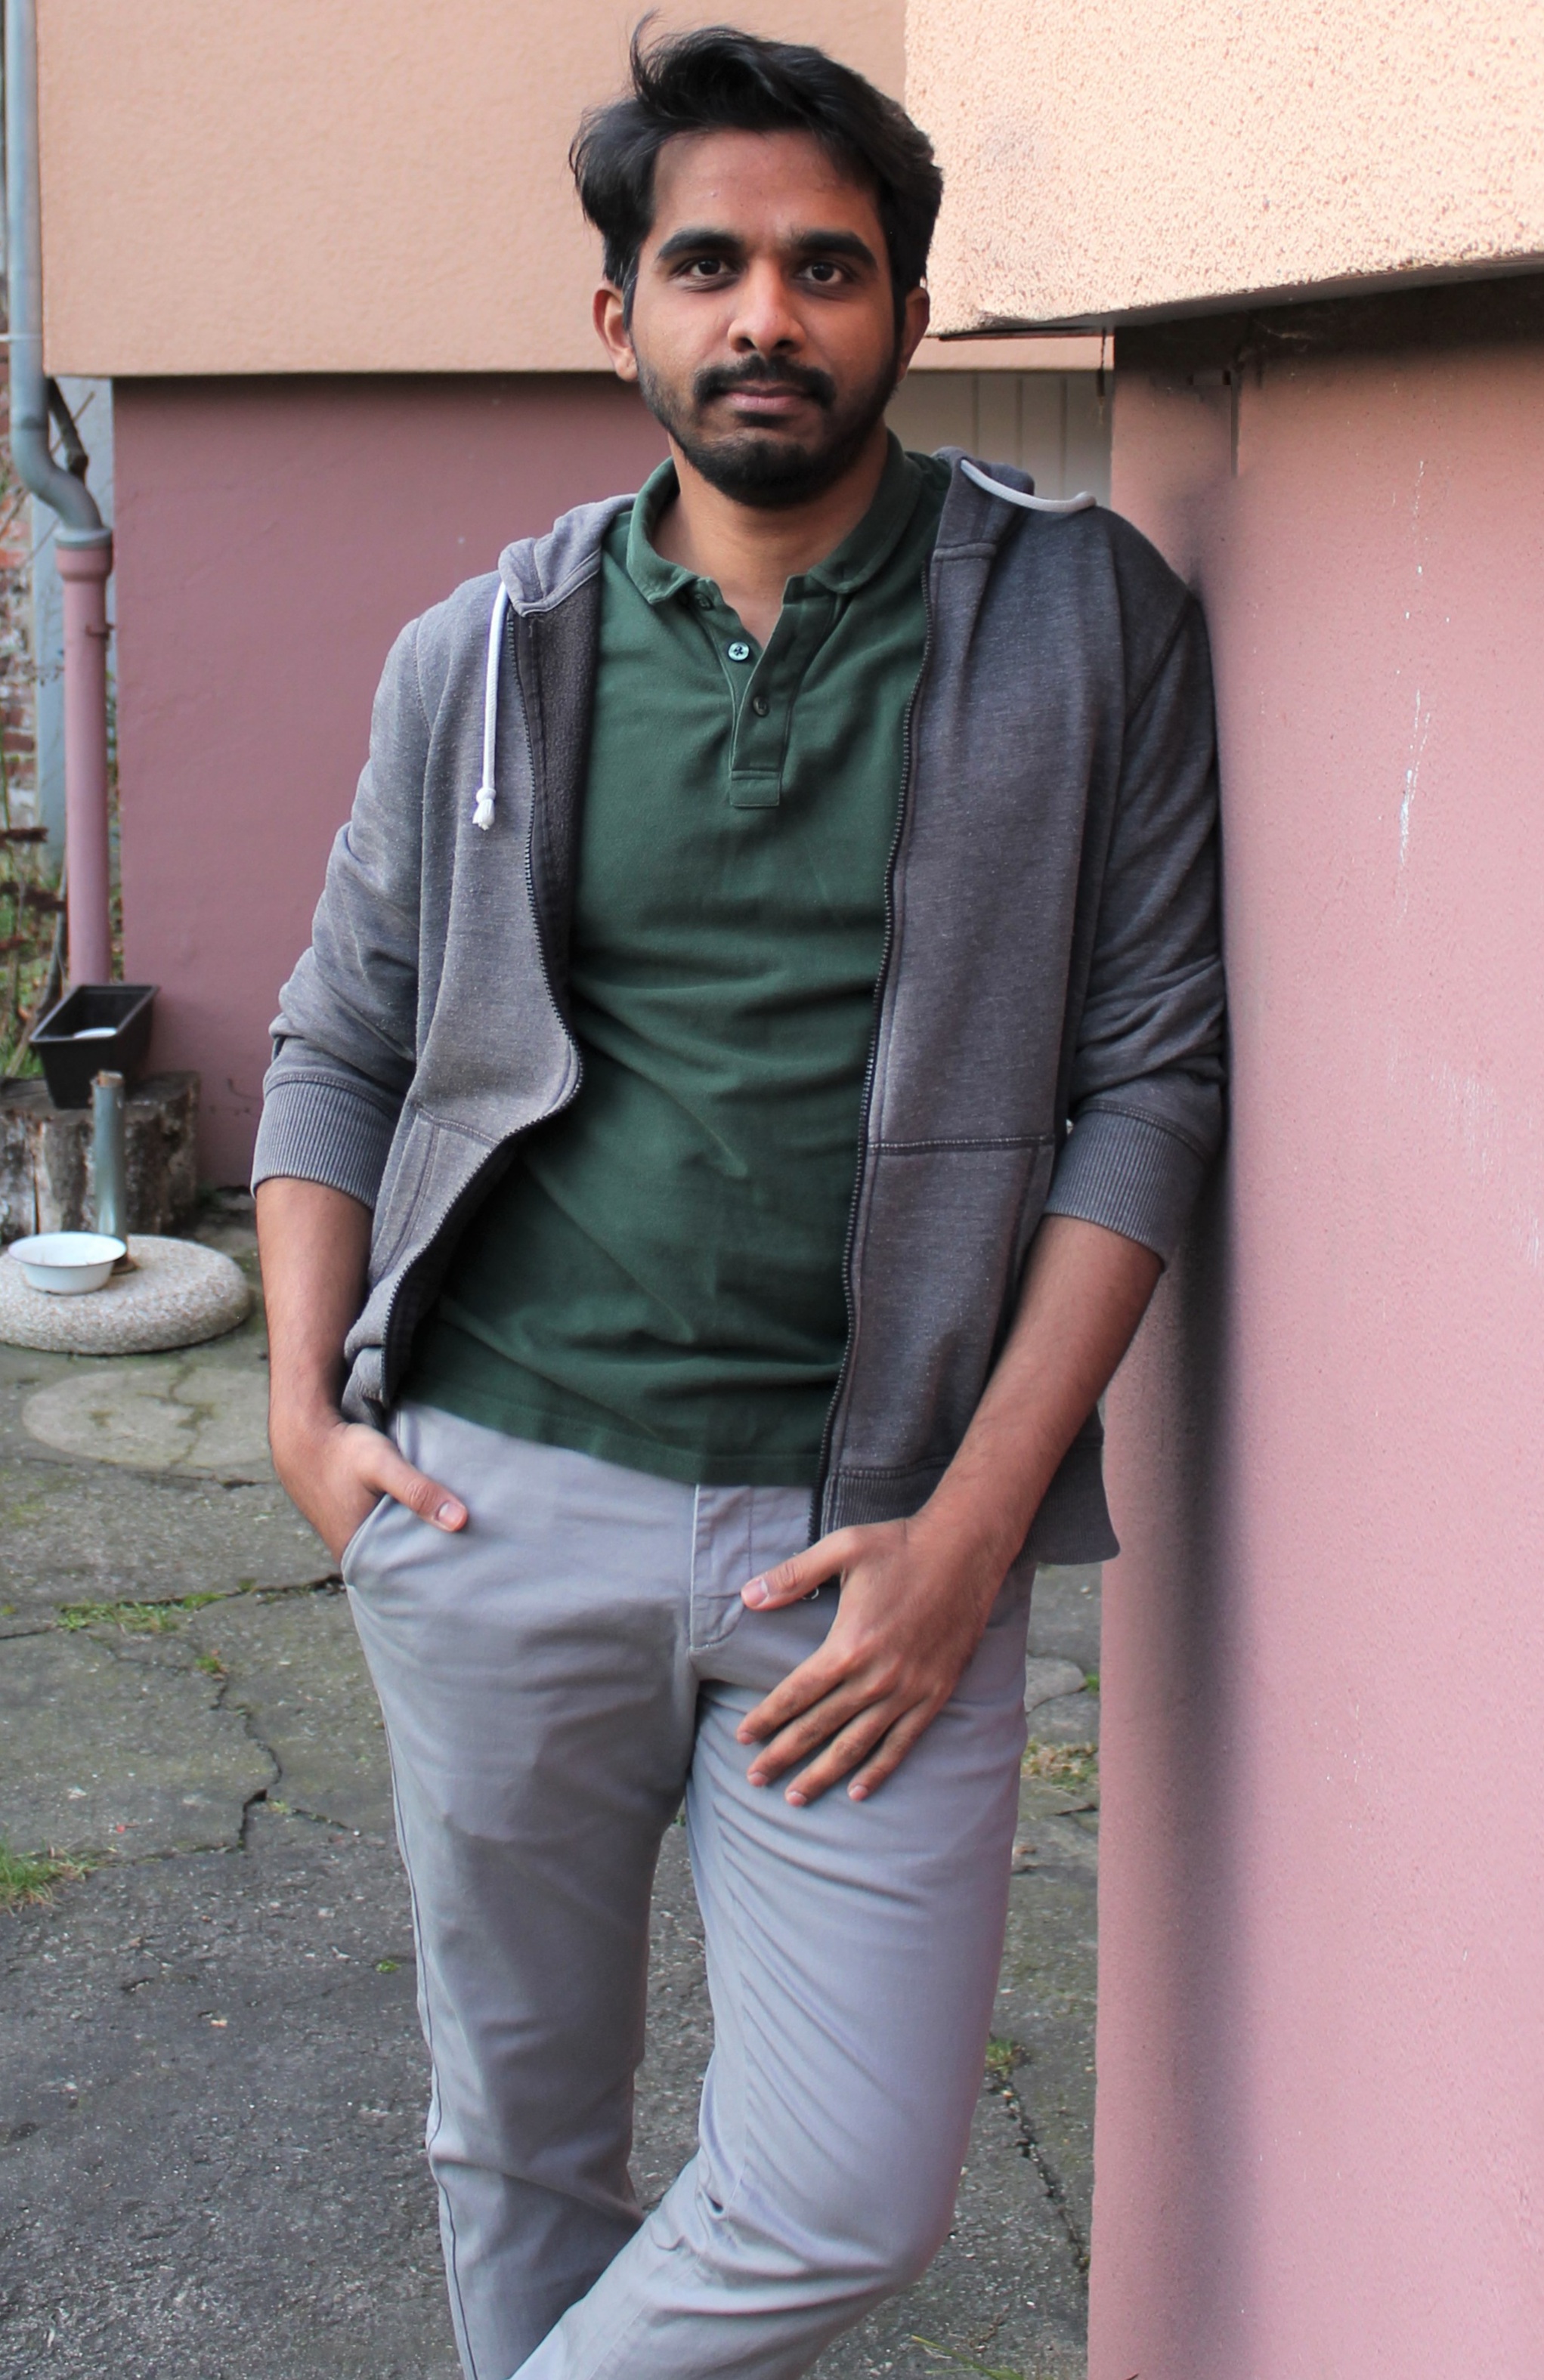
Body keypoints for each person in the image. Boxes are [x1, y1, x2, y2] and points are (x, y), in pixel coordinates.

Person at [252, 26, 1224, 2380]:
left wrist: (971, 1534)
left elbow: (1145, 1087)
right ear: (621, 313)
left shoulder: (1079, 621)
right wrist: (304, 1410)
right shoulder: (482, 658)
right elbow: (338, 1039)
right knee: (520, 2139)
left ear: (907, 310)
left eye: (824, 266)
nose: (763, 315)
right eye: (707, 265)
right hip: (498, 1496)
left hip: (872, 1544)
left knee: (840, 2192)